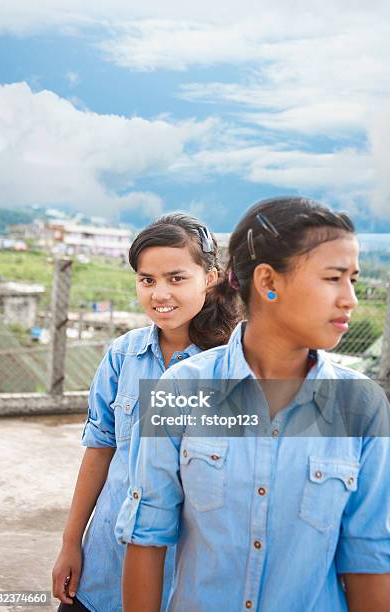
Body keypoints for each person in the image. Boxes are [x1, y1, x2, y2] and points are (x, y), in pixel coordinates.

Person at [118, 197, 390, 611]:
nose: (350, 298)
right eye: (334, 278)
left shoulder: (361, 406)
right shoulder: (180, 390)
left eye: (352, 279)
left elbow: (369, 558)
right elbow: (147, 537)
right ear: (268, 282)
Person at [52, 213, 241, 612]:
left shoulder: (233, 370)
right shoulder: (124, 355)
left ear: (209, 277)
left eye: (176, 278)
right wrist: (71, 543)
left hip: (184, 579)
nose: (160, 294)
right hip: (102, 568)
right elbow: (100, 451)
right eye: (147, 280)